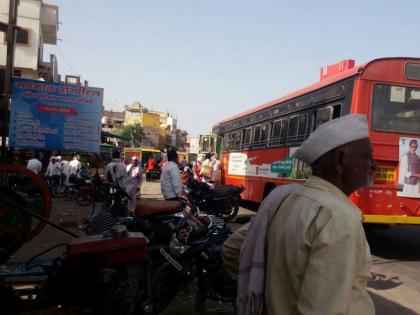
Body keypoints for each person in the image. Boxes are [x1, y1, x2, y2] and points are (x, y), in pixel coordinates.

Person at [236, 114, 376, 315]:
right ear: (340, 160)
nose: (374, 165)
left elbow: (234, 248)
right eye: (367, 157)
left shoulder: (288, 200)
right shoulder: (337, 217)